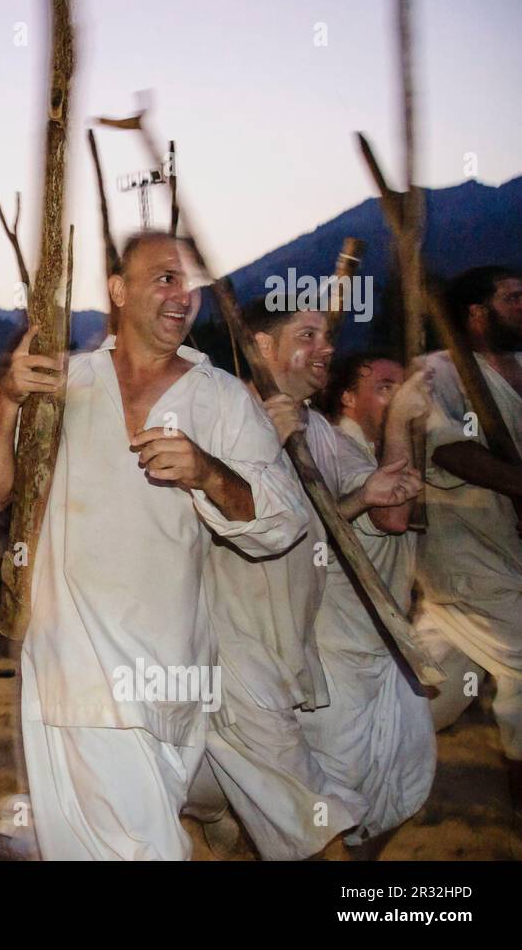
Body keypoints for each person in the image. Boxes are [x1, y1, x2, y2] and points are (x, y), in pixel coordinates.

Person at [0, 232, 308, 860]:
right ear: (119, 292)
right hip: (70, 672)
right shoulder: (62, 384)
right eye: (164, 279)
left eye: (191, 283)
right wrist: (9, 400)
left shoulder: (222, 399)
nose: (185, 296)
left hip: (169, 671)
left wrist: (210, 472)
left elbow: (284, 520)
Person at [247, 301, 434, 859]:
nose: (326, 347)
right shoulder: (233, 413)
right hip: (296, 657)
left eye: (327, 337)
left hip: (371, 657)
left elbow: (381, 506)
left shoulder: (324, 437)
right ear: (263, 347)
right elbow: (273, 532)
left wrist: (378, 481)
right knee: (322, 819)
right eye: (308, 335)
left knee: (396, 792)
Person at [410, 266, 522, 815]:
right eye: (514, 297)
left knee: (435, 697)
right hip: (465, 559)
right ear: (476, 313)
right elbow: (446, 449)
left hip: (512, 558)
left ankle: (353, 780)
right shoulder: (436, 374)